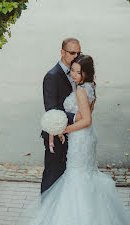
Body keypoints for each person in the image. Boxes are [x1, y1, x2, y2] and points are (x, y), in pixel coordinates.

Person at [29, 54, 130, 225]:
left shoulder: (81, 91)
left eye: (78, 72)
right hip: (85, 136)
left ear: (85, 74)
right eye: (72, 70)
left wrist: (64, 129)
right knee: (84, 174)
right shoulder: (89, 87)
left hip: (80, 137)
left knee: (76, 174)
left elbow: (87, 120)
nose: (73, 75)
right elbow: (84, 115)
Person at [41, 38, 82, 194]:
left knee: (67, 176)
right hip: (56, 133)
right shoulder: (52, 76)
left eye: (79, 53)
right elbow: (52, 110)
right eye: (72, 53)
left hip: (75, 133)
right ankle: (46, 211)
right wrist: (77, 118)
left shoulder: (77, 72)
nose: (76, 56)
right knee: (52, 175)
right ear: (62, 52)